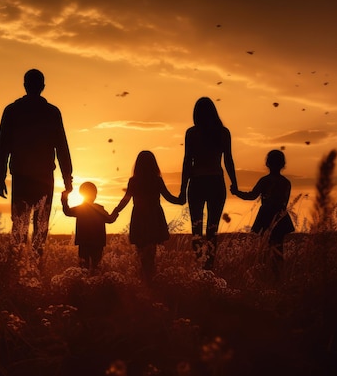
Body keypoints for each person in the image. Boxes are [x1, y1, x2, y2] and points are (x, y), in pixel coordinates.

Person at [0, 69, 73, 255]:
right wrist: (67, 179)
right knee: (41, 226)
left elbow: (3, 145)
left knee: (20, 225)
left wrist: (0, 175)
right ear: (43, 87)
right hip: (43, 178)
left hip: (22, 177)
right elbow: (62, 147)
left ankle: (19, 266)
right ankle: (35, 266)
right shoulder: (52, 113)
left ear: (24, 85)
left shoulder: (12, 111)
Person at [179, 97, 238, 270]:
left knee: (196, 229)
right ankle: (209, 268)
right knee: (213, 229)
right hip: (216, 183)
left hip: (197, 183)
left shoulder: (192, 133)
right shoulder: (223, 132)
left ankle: (199, 266)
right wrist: (234, 183)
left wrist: (183, 189)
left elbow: (187, 161)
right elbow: (228, 160)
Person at [111, 151, 182, 283]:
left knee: (141, 252)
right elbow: (168, 196)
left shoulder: (134, 181)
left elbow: (126, 199)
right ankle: (150, 279)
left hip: (139, 217)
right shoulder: (157, 180)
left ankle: (145, 279)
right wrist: (180, 200)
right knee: (151, 252)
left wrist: (115, 211)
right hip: (154, 217)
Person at [231, 149, 295, 279]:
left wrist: (237, 192)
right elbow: (284, 203)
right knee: (278, 248)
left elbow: (252, 196)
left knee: (265, 248)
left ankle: (267, 275)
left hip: (266, 216)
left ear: (267, 163)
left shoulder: (265, 180)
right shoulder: (286, 182)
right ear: (283, 164)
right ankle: (278, 276)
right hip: (280, 218)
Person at [61, 182, 117, 272]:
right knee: (97, 268)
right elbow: (110, 220)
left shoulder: (80, 209)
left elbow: (66, 211)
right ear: (95, 195)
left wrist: (64, 197)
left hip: (84, 242)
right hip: (97, 243)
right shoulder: (99, 210)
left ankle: (83, 285)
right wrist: (116, 212)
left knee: (83, 269)